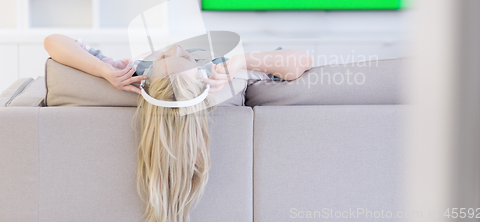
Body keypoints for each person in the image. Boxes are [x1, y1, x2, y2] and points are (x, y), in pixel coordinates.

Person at [43, 34, 313, 222]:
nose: (172, 47)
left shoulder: (125, 75)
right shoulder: (232, 78)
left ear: (145, 78)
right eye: (188, 57)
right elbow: (302, 60)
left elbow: (53, 42)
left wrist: (104, 69)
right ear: (204, 77)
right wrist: (241, 62)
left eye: (163, 57)